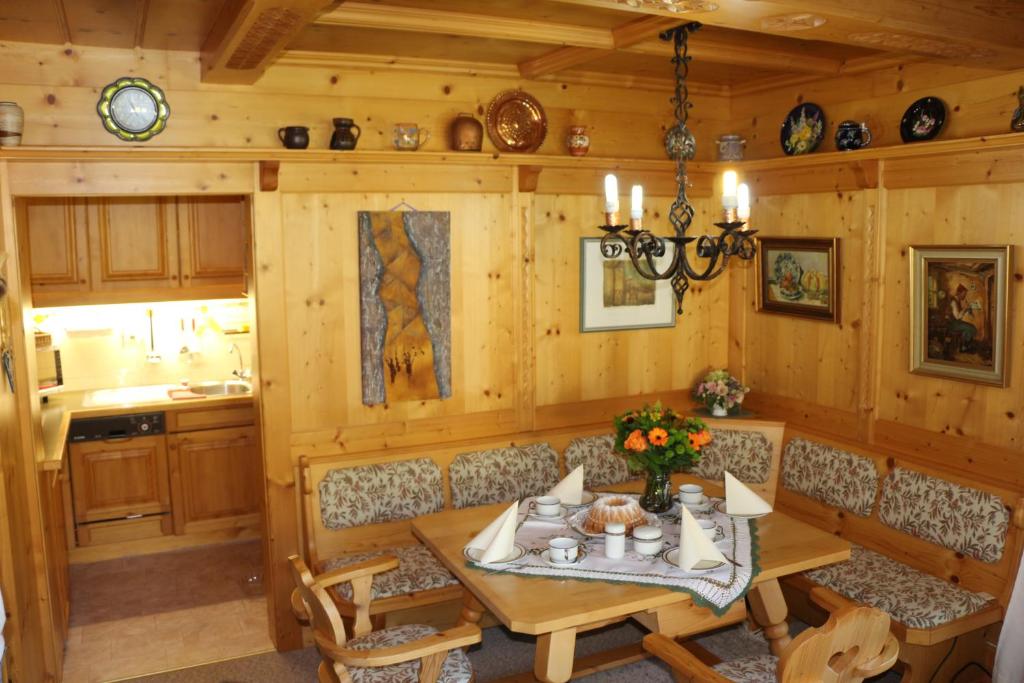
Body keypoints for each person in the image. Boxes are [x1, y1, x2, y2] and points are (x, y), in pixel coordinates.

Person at [947, 284, 977, 352]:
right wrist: (965, 309)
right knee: (971, 328)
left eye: (965, 294)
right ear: (959, 293)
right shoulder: (953, 302)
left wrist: (968, 311)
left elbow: (960, 315)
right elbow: (957, 317)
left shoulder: (958, 301)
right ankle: (964, 346)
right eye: (964, 294)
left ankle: (964, 346)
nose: (965, 296)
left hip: (957, 323)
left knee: (971, 327)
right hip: (953, 324)